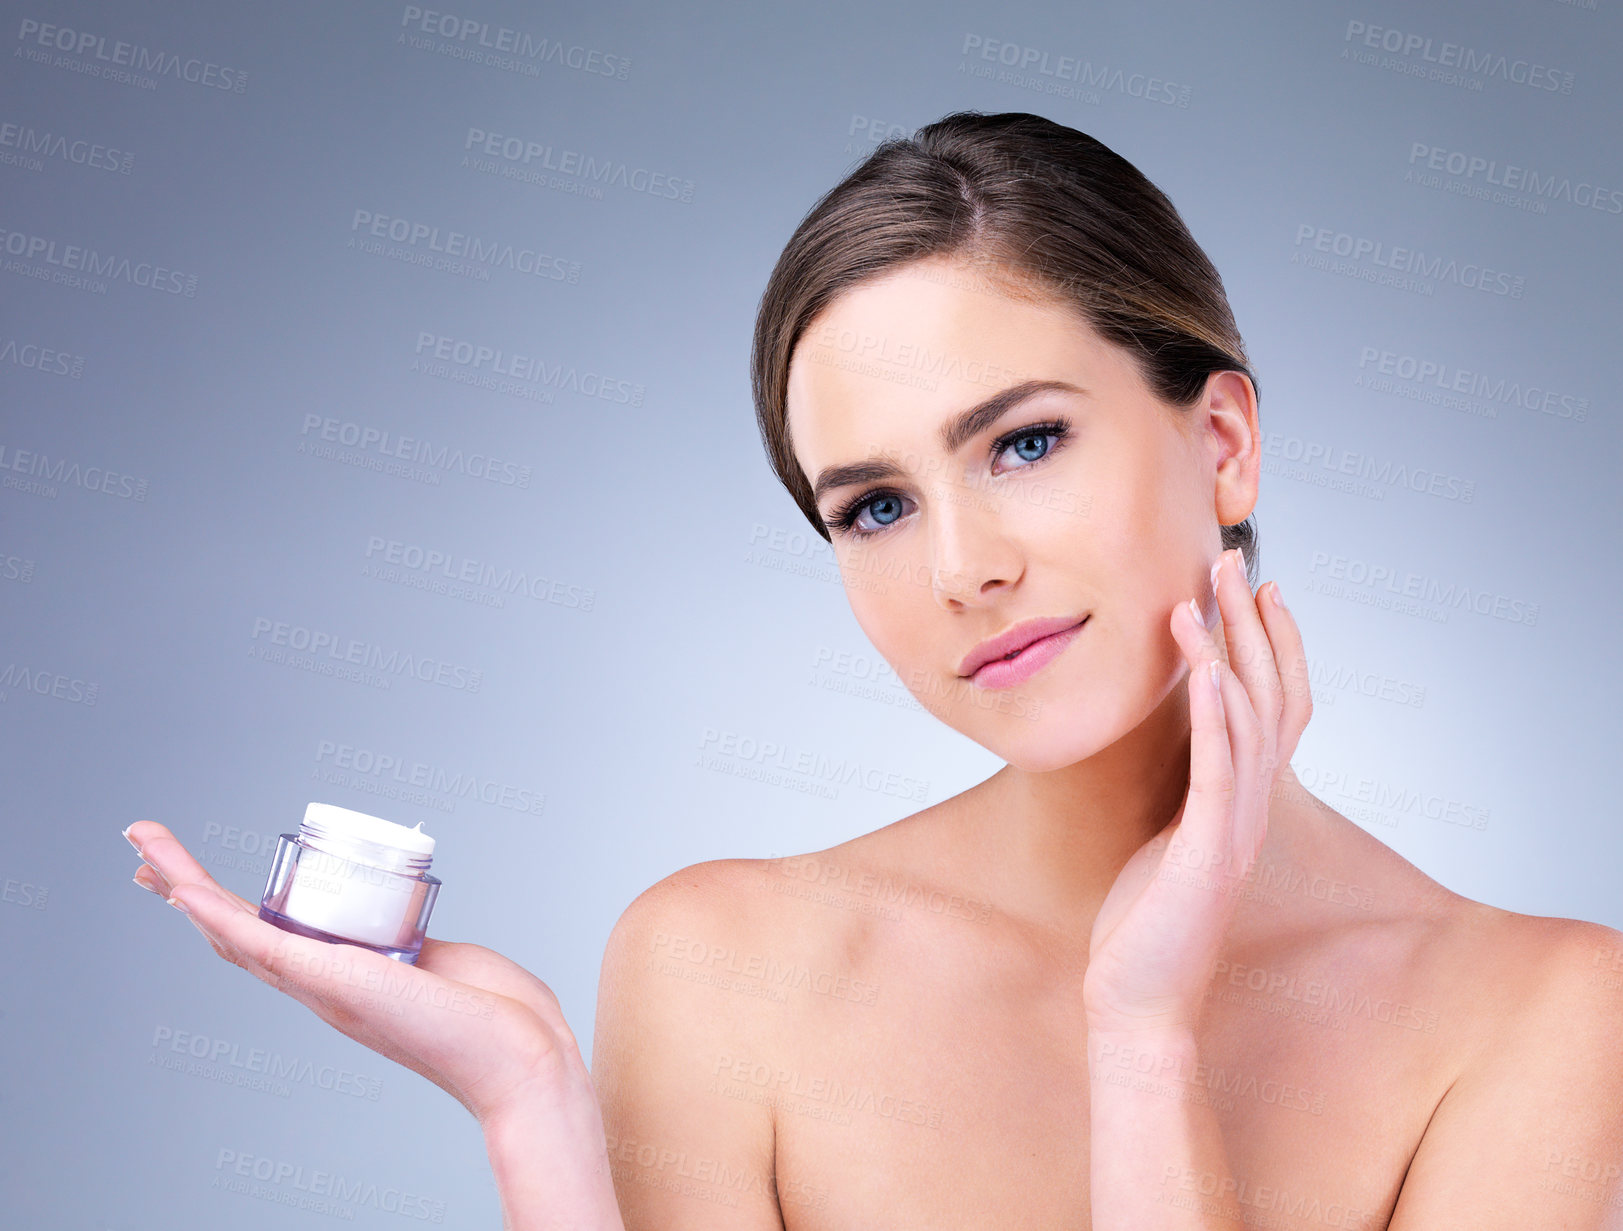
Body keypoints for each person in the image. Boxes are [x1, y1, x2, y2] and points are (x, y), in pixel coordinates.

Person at [124, 111, 1623, 1229]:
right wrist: (535, 1119)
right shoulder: (729, 966)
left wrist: (1144, 1039)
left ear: (1220, 441)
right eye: (877, 506)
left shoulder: (1548, 1020)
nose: (962, 566)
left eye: (1025, 442)